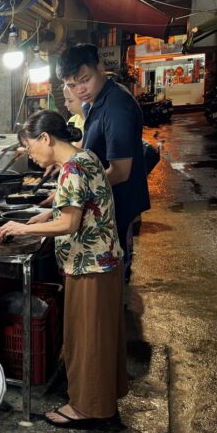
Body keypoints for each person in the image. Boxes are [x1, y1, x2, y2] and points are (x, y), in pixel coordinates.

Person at [0, 110, 127, 427]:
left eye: (30, 148)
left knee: (88, 340)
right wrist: (45, 216)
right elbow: (80, 205)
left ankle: (89, 410)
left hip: (90, 266)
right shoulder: (85, 157)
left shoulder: (71, 169)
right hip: (103, 261)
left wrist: (21, 228)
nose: (31, 155)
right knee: (99, 336)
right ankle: (100, 402)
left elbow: (70, 222)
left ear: (46, 138)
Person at [56, 44, 150, 282]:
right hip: (108, 203)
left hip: (117, 204)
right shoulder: (99, 101)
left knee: (112, 275)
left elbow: (120, 172)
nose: (79, 90)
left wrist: (75, 191)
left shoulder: (116, 106)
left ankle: (112, 314)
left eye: (84, 80)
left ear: (100, 66)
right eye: (72, 85)